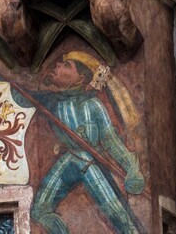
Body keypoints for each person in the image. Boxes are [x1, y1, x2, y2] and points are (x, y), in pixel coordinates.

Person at [28, 55, 147, 234]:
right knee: (38, 210)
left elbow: (110, 140)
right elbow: (22, 95)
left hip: (89, 161)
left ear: (81, 78)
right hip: (69, 160)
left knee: (119, 216)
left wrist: (132, 169)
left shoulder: (93, 105)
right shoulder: (52, 101)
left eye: (66, 65)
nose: (58, 64)